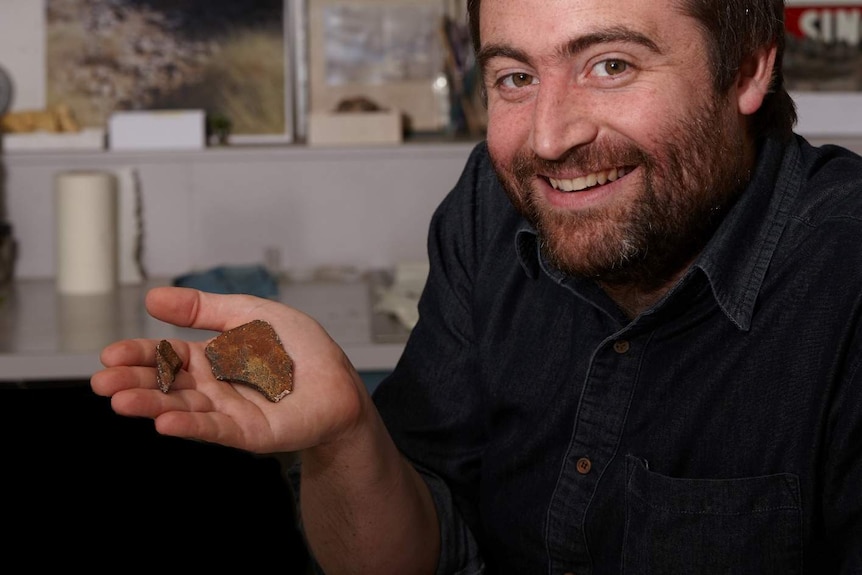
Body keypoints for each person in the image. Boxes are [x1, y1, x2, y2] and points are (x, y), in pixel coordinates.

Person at [91, 0, 862, 572]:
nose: (551, 137)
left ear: (750, 65)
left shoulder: (845, 275)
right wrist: (346, 437)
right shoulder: (492, 207)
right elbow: (408, 558)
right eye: (515, 76)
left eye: (612, 65)